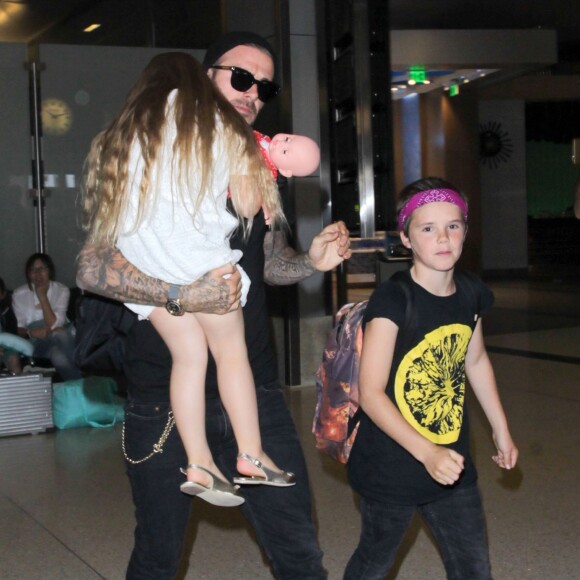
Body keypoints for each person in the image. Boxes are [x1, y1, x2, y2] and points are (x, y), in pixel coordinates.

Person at [76, 31, 351, 579]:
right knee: (158, 555)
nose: (252, 94)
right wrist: (181, 294)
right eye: (241, 78)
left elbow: (268, 264)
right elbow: (91, 267)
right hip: (161, 400)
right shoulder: (154, 155)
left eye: (264, 87)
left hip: (255, 393)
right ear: (205, 80)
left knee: (299, 551)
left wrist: (312, 263)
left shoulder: (254, 165)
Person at [83, 52, 293, 507]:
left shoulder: (120, 139)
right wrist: (265, 163)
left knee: (190, 359)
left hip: (153, 277)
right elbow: (248, 205)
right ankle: (251, 454)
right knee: (232, 355)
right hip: (206, 270)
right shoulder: (217, 128)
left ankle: (199, 463)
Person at [344, 177, 519, 579]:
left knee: (473, 566)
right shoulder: (394, 299)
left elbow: (474, 362)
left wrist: (501, 428)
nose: (443, 238)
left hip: (453, 462)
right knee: (375, 560)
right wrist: (427, 453)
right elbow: (370, 394)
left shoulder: (471, 293)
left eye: (453, 226)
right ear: (406, 238)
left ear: (465, 231)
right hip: (393, 465)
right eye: (428, 228)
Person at [12, 254, 81, 381]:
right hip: (37, 342)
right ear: (28, 274)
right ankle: (86, 384)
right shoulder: (19, 294)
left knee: (58, 355)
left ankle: (77, 388)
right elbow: (18, 329)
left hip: (60, 336)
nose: (38, 273)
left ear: (49, 270)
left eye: (42, 268)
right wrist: (31, 332)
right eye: (33, 270)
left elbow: (54, 325)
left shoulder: (62, 290)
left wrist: (42, 295)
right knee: (61, 335)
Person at [0, 277, 22, 374]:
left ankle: (17, 387)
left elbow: (12, 335)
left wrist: (3, 348)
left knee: (13, 358)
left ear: (3, 294)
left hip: (5, 348)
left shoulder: (7, 312)